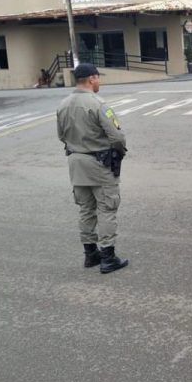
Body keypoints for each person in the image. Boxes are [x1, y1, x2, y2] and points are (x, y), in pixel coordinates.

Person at [56, 63, 129, 274]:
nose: (99, 81)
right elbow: (117, 136)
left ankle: (90, 254)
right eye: (98, 78)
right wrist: (118, 151)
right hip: (99, 163)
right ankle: (108, 256)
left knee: (86, 209)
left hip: (76, 163)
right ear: (91, 79)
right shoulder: (98, 104)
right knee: (106, 208)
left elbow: (61, 135)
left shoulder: (63, 104)